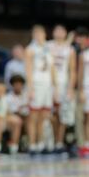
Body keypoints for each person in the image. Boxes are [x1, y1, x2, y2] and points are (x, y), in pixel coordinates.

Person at [25, 25, 55, 155]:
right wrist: (30, 88)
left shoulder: (49, 49)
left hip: (47, 85)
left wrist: (56, 87)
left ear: (44, 35)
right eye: (36, 34)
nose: (38, 36)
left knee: (44, 116)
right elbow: (28, 69)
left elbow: (52, 69)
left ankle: (41, 143)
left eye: (40, 33)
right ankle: (32, 145)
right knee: (33, 116)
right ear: (33, 36)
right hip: (36, 85)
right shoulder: (30, 49)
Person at [48, 24, 76, 153]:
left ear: (65, 33)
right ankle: (50, 142)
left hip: (63, 85)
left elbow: (73, 70)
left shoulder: (69, 49)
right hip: (49, 85)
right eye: (57, 30)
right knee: (50, 114)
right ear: (53, 32)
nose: (59, 32)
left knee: (63, 115)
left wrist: (70, 88)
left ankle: (59, 142)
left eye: (62, 30)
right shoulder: (47, 46)